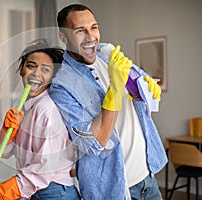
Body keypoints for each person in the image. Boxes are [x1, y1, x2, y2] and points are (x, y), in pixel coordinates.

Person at [49, 4, 168, 199]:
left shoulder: (107, 53)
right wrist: (115, 87)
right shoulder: (62, 86)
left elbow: (137, 87)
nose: (90, 36)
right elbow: (95, 141)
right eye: (80, 30)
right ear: (63, 37)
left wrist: (145, 85)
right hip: (113, 189)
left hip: (148, 177)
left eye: (94, 27)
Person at [0, 39, 80, 200]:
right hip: (35, 189)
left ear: (52, 77)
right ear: (22, 70)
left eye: (45, 69)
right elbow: (1, 152)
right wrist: (6, 132)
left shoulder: (48, 109)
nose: (36, 73)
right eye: (31, 66)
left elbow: (44, 169)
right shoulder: (24, 105)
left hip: (54, 192)